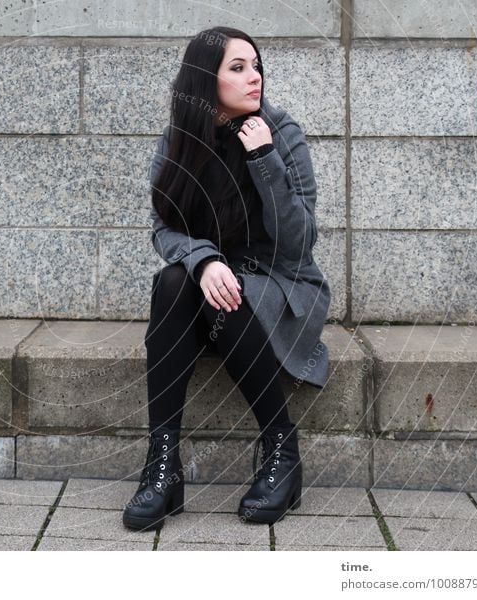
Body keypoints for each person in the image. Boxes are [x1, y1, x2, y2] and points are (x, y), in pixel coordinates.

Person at [122, 26, 331, 531]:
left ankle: (282, 449)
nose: (253, 77)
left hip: (281, 286)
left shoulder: (281, 134)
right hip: (212, 285)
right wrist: (204, 259)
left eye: (255, 66)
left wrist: (264, 160)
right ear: (205, 78)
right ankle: (163, 464)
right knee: (173, 282)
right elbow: (164, 226)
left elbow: (298, 242)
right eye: (237, 68)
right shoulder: (179, 140)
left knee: (222, 293)